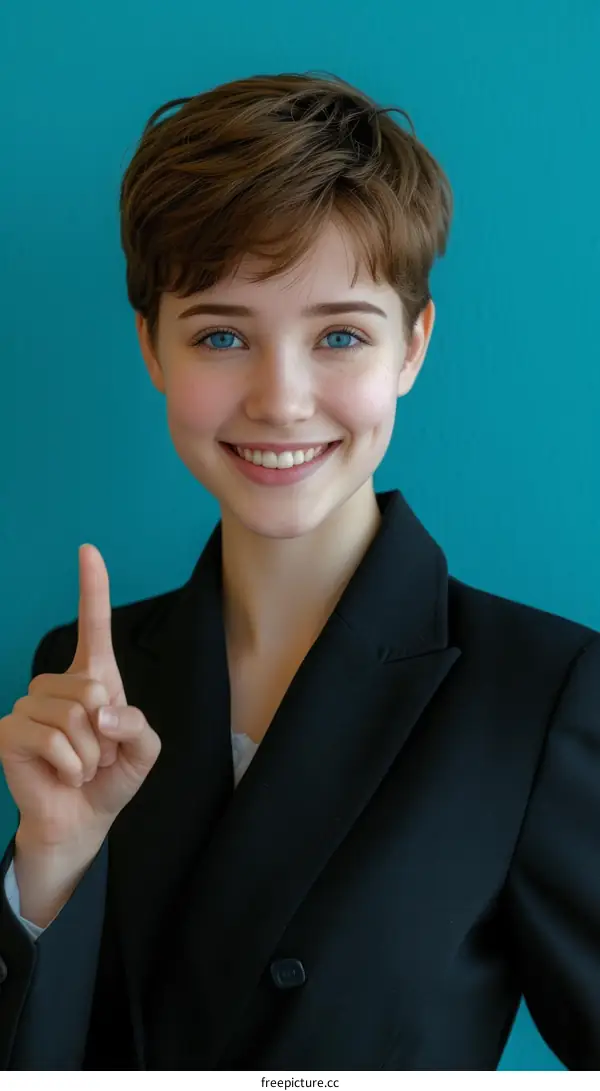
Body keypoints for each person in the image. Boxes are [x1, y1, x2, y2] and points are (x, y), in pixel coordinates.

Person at [0, 70, 599, 1072]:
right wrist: (46, 868)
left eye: (339, 336)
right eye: (223, 334)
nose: (281, 400)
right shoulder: (87, 673)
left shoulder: (539, 692)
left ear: (413, 345)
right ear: (151, 346)